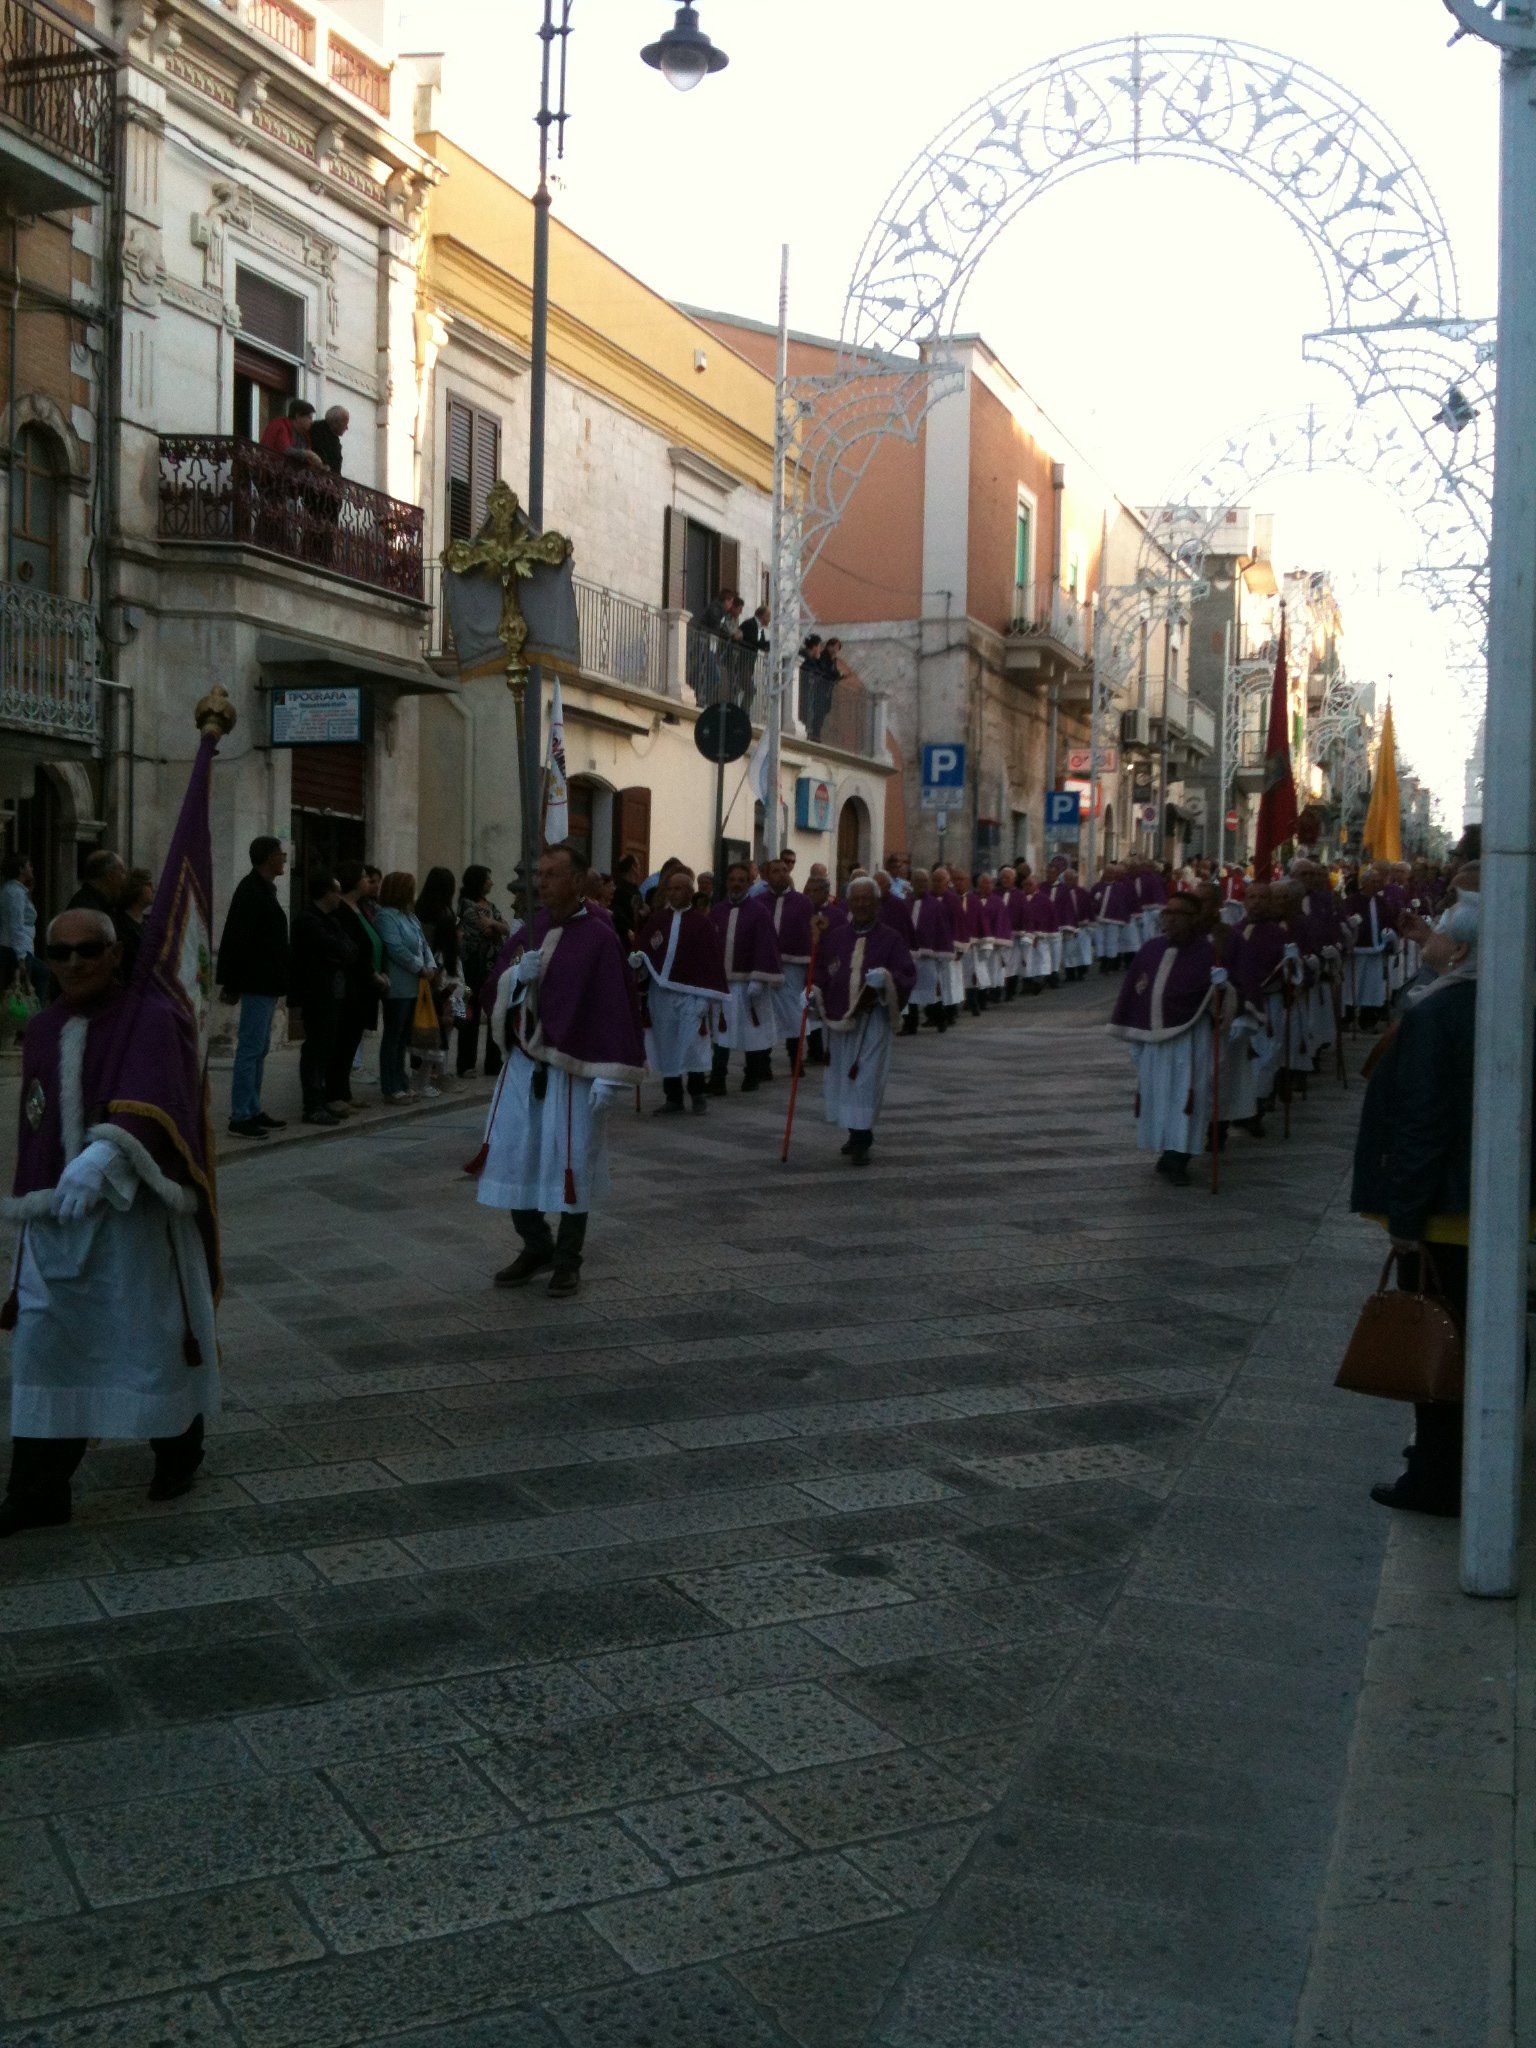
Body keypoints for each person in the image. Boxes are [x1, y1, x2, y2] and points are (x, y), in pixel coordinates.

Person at [0, 909, 218, 1534]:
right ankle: (39, 1489)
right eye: (60, 952)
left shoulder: (153, 1018)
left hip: (131, 1215)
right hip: (54, 1217)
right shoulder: (44, 1026)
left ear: (116, 953)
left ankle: (177, 1448)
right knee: (44, 1345)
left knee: (145, 1338)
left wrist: (107, 1156)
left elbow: (162, 1097)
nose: (74, 963)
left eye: (89, 949)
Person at [1350, 899, 1494, 1517]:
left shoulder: (1440, 1013)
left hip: (1444, 1211)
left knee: (1441, 1338)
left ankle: (1437, 1472)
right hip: (1478, 1199)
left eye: (1439, 932)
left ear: (1459, 950)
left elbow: (1423, 1120)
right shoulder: (1489, 999)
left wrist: (1405, 1217)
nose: (1429, 937)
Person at [477, 842, 644, 1296]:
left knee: (572, 1162)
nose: (541, 883)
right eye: (540, 875)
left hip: (572, 1072)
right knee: (515, 1156)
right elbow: (494, 987)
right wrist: (516, 978)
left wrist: (609, 1076)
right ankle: (537, 1245)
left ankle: (568, 1259)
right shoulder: (530, 930)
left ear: (576, 880)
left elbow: (614, 1006)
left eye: (551, 875)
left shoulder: (599, 937)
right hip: (524, 1067)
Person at [1108, 891, 1227, 1186]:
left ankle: (1179, 1157)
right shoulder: (1150, 950)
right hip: (1155, 1043)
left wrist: (1222, 990)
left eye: (1178, 914)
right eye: (1167, 913)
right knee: (1158, 1097)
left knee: (1187, 1098)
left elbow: (1223, 1004)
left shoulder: (1208, 952)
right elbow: (1137, 991)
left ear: (1194, 918)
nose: (1170, 920)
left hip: (1190, 1039)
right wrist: (1137, 1034)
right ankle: (1165, 1150)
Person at [809, 874, 916, 1165]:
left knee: (866, 1079)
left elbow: (906, 973)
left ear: (877, 903)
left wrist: (887, 981)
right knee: (844, 1078)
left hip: (872, 1020)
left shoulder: (891, 938)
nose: (861, 904)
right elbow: (823, 971)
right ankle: (853, 1131)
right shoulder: (836, 936)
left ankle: (862, 1137)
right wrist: (812, 992)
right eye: (856, 899)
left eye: (867, 899)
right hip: (838, 1021)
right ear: (848, 903)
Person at [631, 864, 728, 1114]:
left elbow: (710, 962)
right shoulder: (657, 920)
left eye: (678, 889)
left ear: (689, 892)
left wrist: (703, 998)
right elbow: (644, 949)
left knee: (693, 1045)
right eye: (670, 889)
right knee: (667, 1045)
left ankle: (697, 1094)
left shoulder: (701, 924)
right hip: (661, 995)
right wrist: (638, 961)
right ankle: (673, 1097)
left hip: (690, 996)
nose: (673, 893)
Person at [216, 835, 290, 1138]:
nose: (284, 859)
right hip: (257, 981)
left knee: (259, 1048)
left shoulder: (263, 889)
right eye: (281, 854)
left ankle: (253, 1108)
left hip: (267, 982)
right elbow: (237, 938)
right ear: (269, 857)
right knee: (249, 1048)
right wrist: (232, 982)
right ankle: (241, 1115)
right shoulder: (251, 891)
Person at [709, 860, 784, 1093]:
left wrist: (758, 979)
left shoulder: (759, 912)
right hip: (723, 984)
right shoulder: (717, 911)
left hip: (749, 983)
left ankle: (752, 1075)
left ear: (749, 883)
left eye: (741, 880)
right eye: (732, 880)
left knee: (752, 1031)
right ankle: (718, 1078)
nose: (736, 884)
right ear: (726, 882)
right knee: (721, 1032)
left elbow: (766, 945)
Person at [290, 871, 355, 1127]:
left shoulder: (332, 921)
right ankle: (312, 1104)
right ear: (326, 893)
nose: (339, 896)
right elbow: (330, 948)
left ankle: (323, 1097)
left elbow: (350, 949)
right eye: (336, 891)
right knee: (316, 1049)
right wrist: (338, 952)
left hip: (333, 992)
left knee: (327, 1046)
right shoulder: (308, 920)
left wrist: (339, 952)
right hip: (316, 992)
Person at [373, 872, 435, 1104]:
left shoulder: (409, 916)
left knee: (403, 1039)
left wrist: (430, 965)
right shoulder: (386, 916)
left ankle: (402, 1081)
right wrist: (420, 967)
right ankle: (391, 1086)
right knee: (393, 1036)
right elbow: (395, 948)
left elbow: (423, 944)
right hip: (398, 985)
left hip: (414, 985)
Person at [330, 860, 386, 1110]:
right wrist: (372, 973)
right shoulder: (341, 909)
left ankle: (344, 1092)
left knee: (352, 1039)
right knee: (342, 1041)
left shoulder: (361, 907)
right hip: (352, 985)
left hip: (366, 986)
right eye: (364, 877)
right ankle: (335, 1093)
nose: (368, 882)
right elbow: (352, 949)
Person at [762, 856, 815, 1072]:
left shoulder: (803, 902)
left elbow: (809, 933)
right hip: (765, 965)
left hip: (793, 965)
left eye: (785, 870)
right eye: (776, 871)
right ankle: (762, 1064)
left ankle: (796, 1059)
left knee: (794, 1012)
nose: (781, 874)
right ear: (767, 875)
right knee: (765, 1013)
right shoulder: (759, 902)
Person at [456, 865, 509, 1078]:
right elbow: (484, 930)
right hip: (473, 966)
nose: (491, 882)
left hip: (492, 967)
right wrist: (495, 927)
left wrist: (494, 924)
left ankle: (493, 1063)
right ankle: (466, 1064)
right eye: (488, 879)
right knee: (471, 1014)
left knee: (495, 1012)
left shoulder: (491, 906)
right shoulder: (467, 905)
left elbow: (504, 928)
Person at [414, 866, 462, 1098]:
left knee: (421, 1027)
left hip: (419, 973)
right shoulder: (445, 915)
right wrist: (455, 982)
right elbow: (450, 953)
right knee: (441, 1027)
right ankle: (435, 1075)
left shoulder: (417, 910)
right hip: (438, 975)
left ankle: (424, 1074)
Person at [907, 867, 954, 1033]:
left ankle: (940, 1019)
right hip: (909, 955)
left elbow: (942, 930)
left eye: (924, 881)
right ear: (911, 883)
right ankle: (910, 1024)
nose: (921, 884)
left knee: (931, 989)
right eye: (918, 881)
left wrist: (940, 952)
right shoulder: (906, 903)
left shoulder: (936, 905)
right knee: (908, 990)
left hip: (929, 956)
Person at [0, 852, 39, 999]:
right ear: (21, 869)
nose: (32, 868)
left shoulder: (16, 891)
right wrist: (21, 956)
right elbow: (16, 925)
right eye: (29, 866)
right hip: (17, 948)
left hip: (20, 946)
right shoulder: (15, 893)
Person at [309, 403, 349, 476]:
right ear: (336, 422)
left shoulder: (335, 439)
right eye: (345, 424)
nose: (347, 428)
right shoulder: (317, 430)